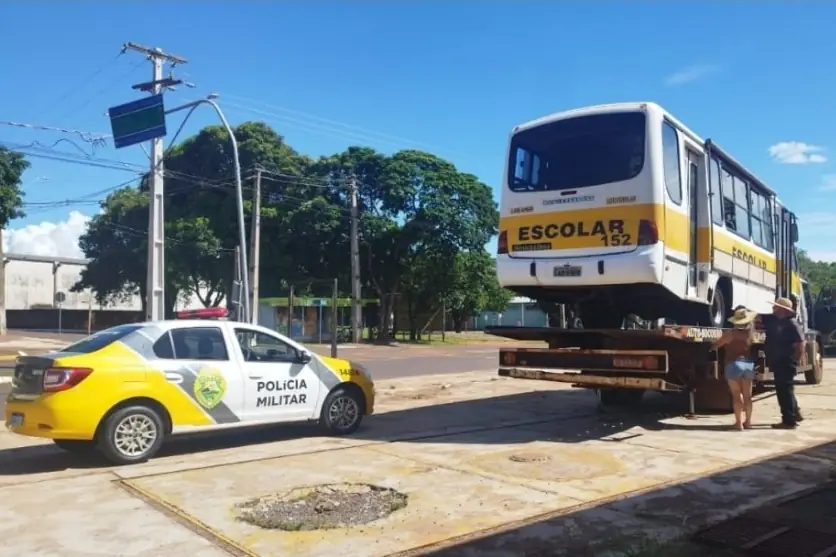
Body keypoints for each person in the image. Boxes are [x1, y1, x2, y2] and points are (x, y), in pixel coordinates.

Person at [760, 297, 805, 429]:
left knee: (784, 391)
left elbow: (800, 344)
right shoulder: (776, 321)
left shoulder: (791, 324)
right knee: (786, 389)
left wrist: (795, 360)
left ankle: (789, 421)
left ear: (782, 310)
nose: (773, 308)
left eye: (776, 307)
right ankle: (794, 413)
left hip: (786, 361)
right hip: (779, 361)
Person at [712, 307, 758, 430]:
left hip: (733, 364)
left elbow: (716, 345)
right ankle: (748, 422)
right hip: (748, 364)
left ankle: (738, 423)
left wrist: (712, 346)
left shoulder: (730, 334)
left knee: (737, 395)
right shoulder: (750, 333)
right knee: (748, 395)